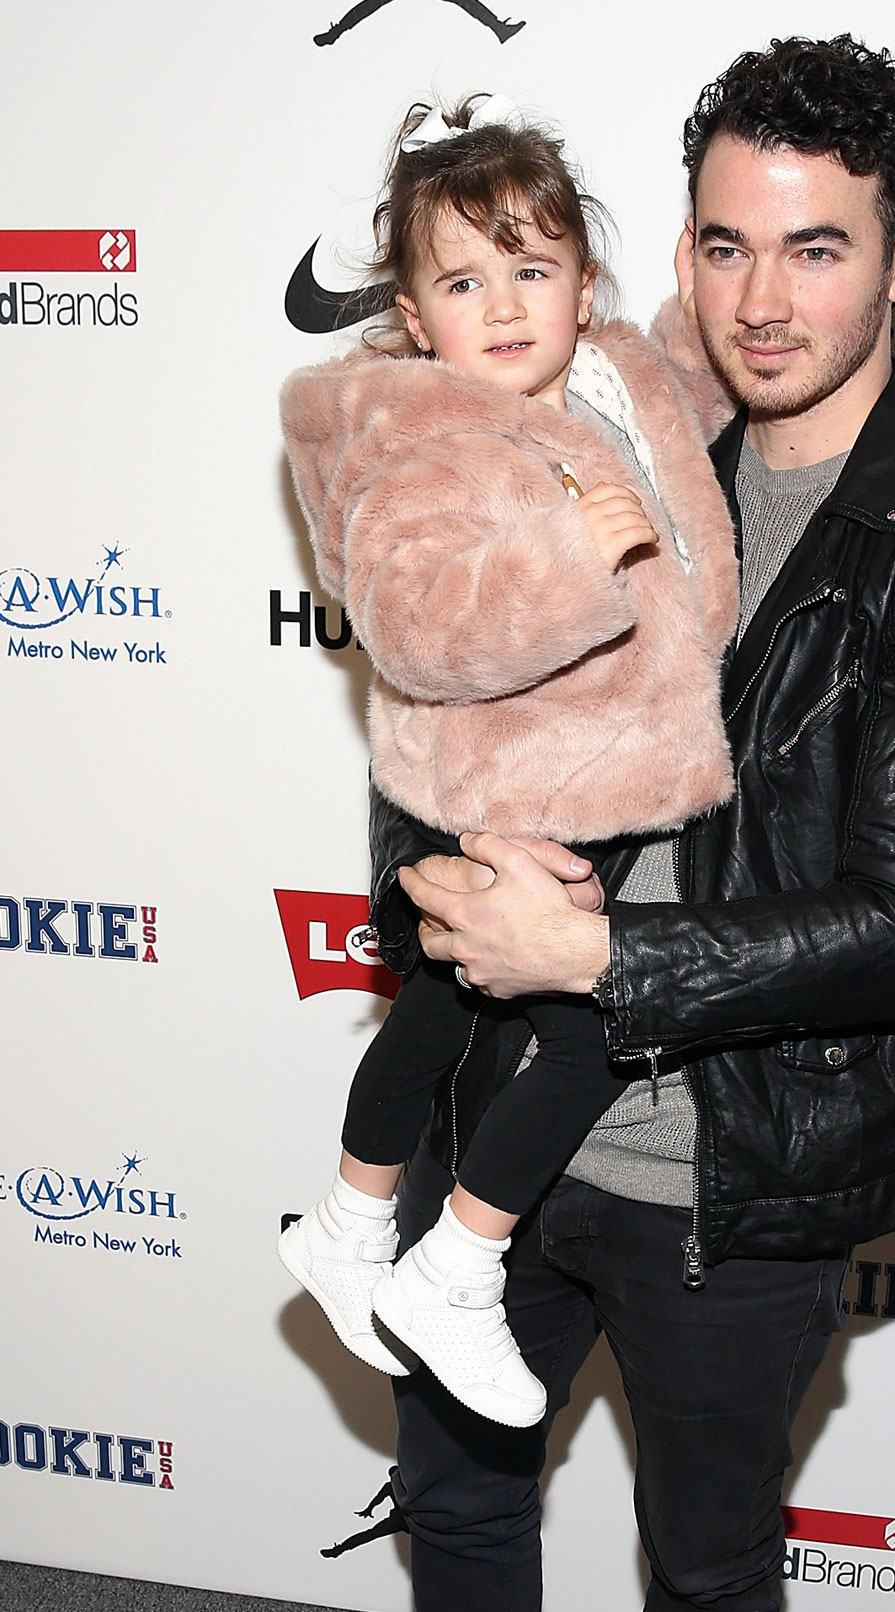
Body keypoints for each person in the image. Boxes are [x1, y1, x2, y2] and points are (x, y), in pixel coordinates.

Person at [242, 38, 895, 1612]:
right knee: (455, 1477)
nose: (759, 297)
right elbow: (443, 710)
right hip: (506, 1125)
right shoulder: (599, 420)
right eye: (723, 243)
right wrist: (442, 878)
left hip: (734, 1169)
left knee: (705, 1554)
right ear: (678, 248)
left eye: (816, 247)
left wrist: (601, 962)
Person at [276, 94, 737, 1428]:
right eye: (464, 282)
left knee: (436, 1009)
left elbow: (693, 381)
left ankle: (352, 1224)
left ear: (585, 287)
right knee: (592, 1036)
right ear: (415, 318)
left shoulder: (613, 373)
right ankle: (456, 1266)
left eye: (532, 270)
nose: (504, 306)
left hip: (593, 774)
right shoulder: (424, 437)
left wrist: (728, 288)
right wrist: (568, 558)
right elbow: (418, 622)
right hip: (521, 788)